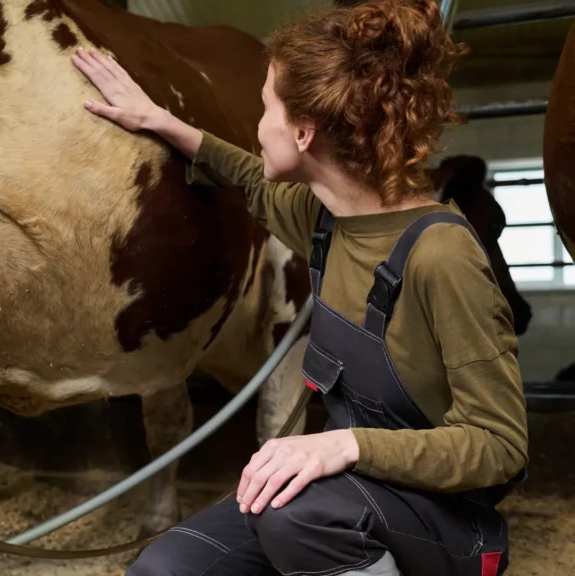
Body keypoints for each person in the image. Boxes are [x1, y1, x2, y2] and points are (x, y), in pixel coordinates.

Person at [71, 1, 529, 575]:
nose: (257, 125)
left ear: (305, 133)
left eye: (265, 108)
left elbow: (501, 445)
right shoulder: (326, 220)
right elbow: (246, 178)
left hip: (445, 520)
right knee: (166, 566)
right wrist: (158, 120)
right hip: (348, 495)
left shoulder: (442, 255)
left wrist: (343, 445)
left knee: (297, 515)